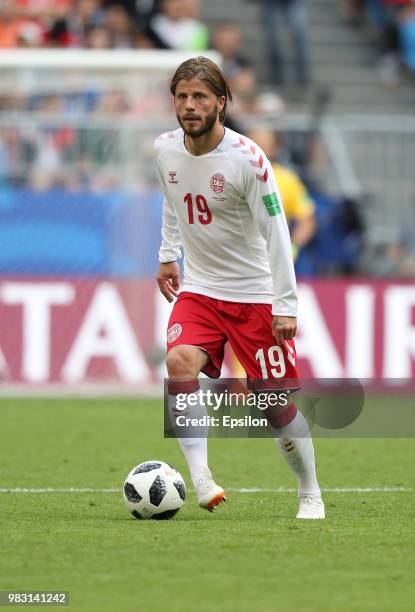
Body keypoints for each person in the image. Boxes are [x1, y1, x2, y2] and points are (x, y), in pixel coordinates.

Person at [154, 56, 324, 519]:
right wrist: (168, 253)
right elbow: (173, 200)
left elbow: (277, 232)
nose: (190, 106)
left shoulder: (247, 159)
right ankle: (202, 478)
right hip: (201, 289)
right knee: (178, 361)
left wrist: (284, 305)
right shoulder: (165, 149)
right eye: (183, 97)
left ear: (222, 103)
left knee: (276, 409)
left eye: (200, 97)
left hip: (254, 294)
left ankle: (309, 489)